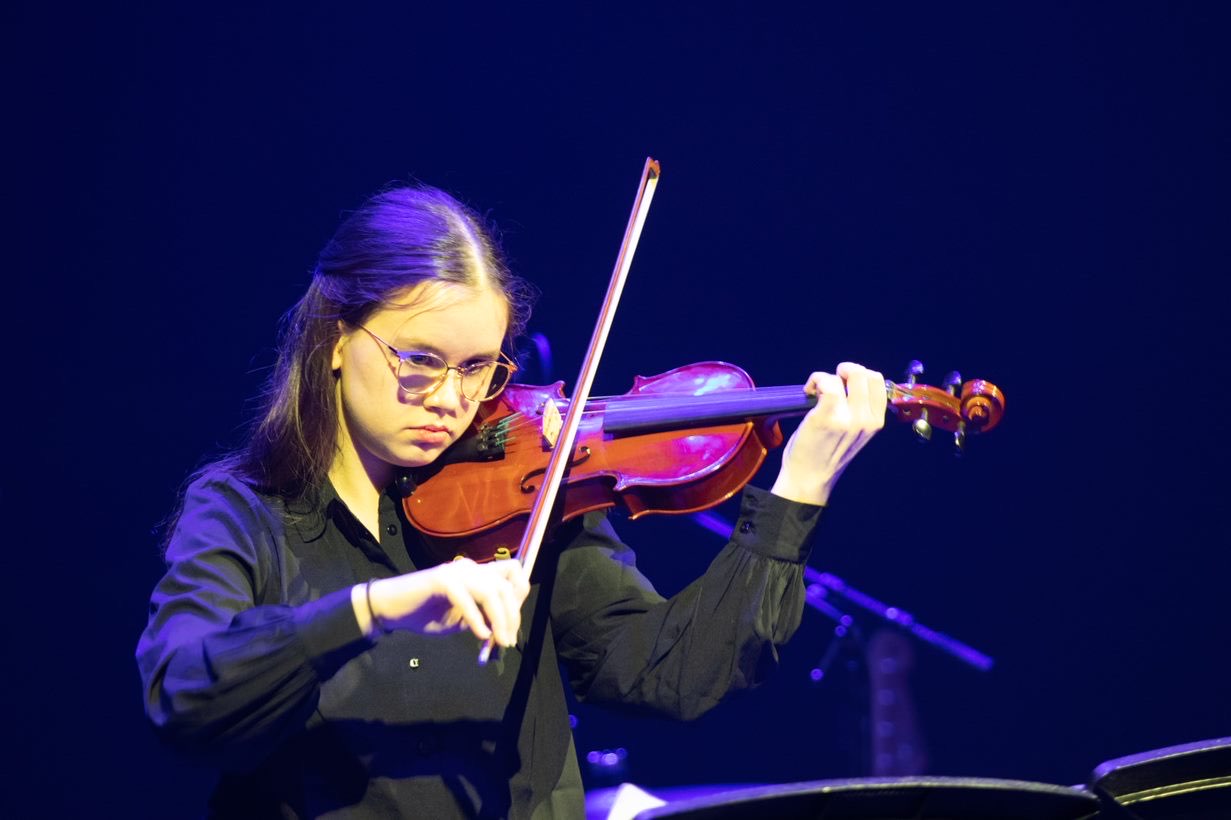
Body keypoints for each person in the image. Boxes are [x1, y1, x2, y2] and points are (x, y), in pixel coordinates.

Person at [136, 183, 886, 819]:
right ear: (336, 337)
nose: (452, 399)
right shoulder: (244, 509)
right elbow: (187, 697)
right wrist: (373, 607)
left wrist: (797, 489)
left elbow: (666, 673)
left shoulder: (527, 493)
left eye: (478, 369)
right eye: (421, 362)